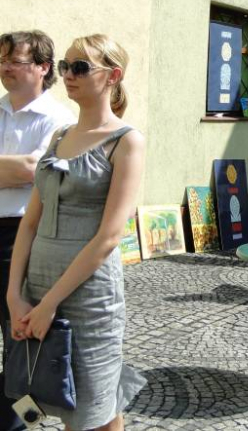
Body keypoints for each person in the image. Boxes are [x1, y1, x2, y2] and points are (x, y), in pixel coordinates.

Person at [6, 34, 146, 429]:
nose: (68, 74)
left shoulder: (126, 141)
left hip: (89, 295)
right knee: (64, 397)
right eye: (65, 66)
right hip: (38, 286)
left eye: (80, 67)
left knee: (90, 405)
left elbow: (109, 237)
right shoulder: (60, 136)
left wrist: (50, 303)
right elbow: (30, 222)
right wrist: (15, 295)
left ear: (112, 76)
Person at [0, 29, 74, 430]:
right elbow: (25, 168)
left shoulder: (60, 120)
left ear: (44, 68)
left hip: (22, 236)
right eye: (2, 60)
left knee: (20, 339)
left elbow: (35, 171)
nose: (5, 68)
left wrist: (25, 169)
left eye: (16, 60)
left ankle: (17, 422)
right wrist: (18, 169)